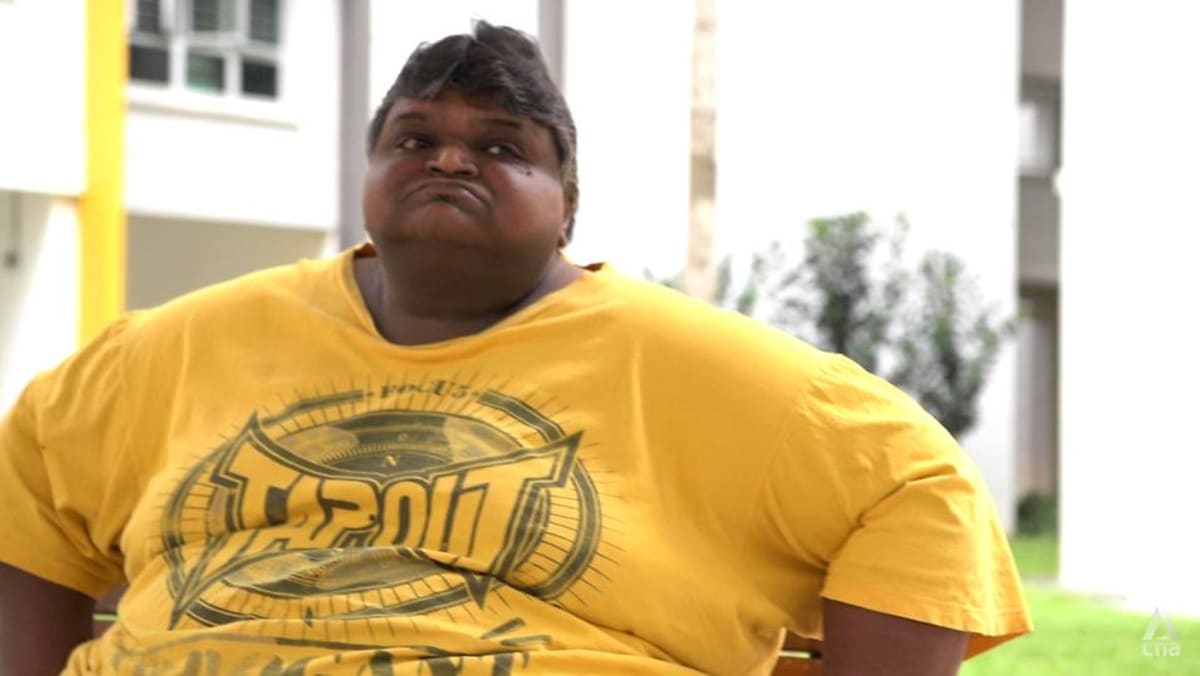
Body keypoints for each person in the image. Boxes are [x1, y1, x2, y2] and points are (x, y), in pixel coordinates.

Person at [0, 21, 1030, 676]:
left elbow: (919, 486)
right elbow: (32, 480)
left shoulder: (701, 367)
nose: (449, 159)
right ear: (371, 173)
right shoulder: (182, 346)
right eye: (414, 139)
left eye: (500, 147)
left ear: (566, 206)